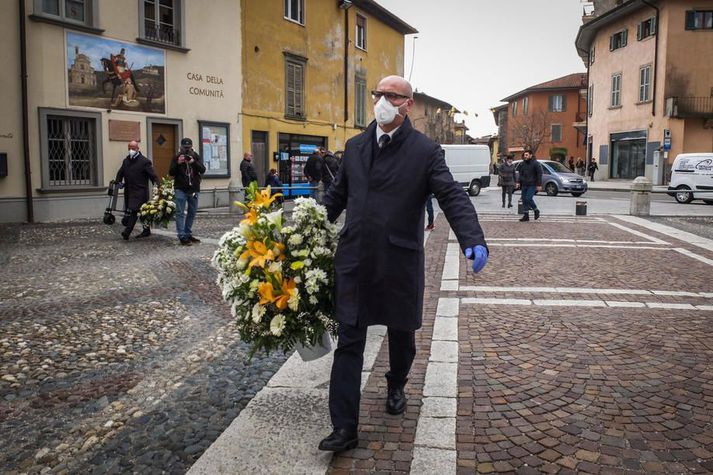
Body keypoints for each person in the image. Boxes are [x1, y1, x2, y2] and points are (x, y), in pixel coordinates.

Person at [319, 75, 489, 452]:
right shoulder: (355, 145)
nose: (381, 100)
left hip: (398, 261)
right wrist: (302, 228)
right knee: (349, 341)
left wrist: (472, 240)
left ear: (407, 104)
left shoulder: (425, 151)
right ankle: (344, 427)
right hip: (355, 260)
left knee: (402, 335)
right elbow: (335, 198)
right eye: (378, 94)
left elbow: (451, 196)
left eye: (391, 95)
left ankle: (396, 384)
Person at [115, 140, 158, 240]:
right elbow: (120, 173)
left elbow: (153, 176)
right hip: (129, 191)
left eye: (133, 148)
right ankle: (146, 230)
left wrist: (157, 186)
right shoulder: (126, 161)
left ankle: (127, 232)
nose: (131, 150)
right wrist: (118, 182)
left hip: (140, 191)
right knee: (142, 212)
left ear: (138, 149)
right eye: (129, 148)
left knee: (134, 211)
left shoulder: (144, 161)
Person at [169, 138, 205, 246]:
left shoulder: (195, 156)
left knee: (192, 212)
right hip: (180, 188)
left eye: (188, 148)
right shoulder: (176, 157)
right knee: (180, 213)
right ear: (181, 147)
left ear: (192, 147)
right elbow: (171, 172)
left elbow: (202, 170)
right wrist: (178, 163)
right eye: (185, 148)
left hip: (194, 189)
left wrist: (193, 162)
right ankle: (181, 235)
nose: (186, 150)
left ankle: (187, 233)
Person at [515, 150, 542, 222]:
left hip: (532, 184)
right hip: (524, 184)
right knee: (524, 199)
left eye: (526, 155)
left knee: (528, 198)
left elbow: (539, 174)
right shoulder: (522, 164)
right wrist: (518, 182)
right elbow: (520, 174)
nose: (525, 156)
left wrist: (539, 185)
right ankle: (526, 216)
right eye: (524, 155)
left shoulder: (536, 164)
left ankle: (536, 210)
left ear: (530, 155)